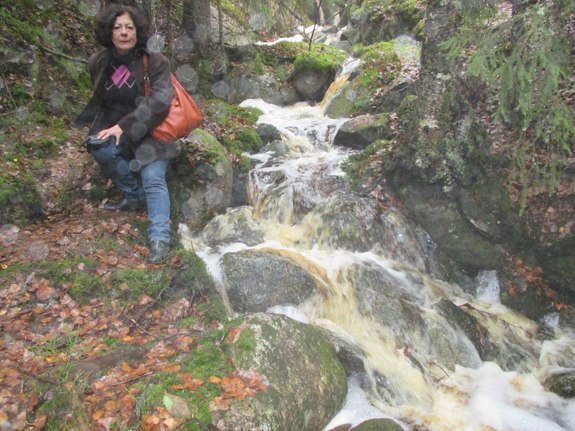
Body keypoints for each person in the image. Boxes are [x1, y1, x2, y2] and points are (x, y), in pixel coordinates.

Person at [75, 4, 178, 263]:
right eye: (117, 27)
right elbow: (104, 102)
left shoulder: (153, 60)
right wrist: (106, 131)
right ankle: (133, 195)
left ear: (137, 32)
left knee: (153, 178)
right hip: (120, 134)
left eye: (129, 28)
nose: (123, 33)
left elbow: (160, 101)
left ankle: (159, 239)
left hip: (152, 135)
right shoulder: (99, 62)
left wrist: (125, 125)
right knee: (98, 146)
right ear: (109, 32)